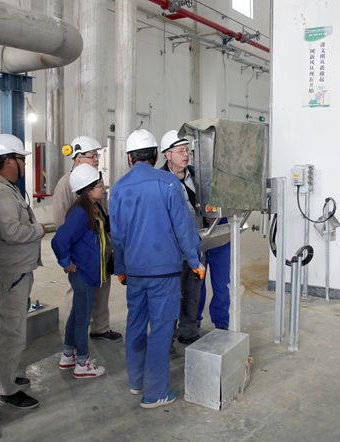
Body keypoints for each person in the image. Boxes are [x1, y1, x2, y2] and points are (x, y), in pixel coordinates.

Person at [109, 129, 204, 409]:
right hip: (165, 273)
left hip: (135, 272)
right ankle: (155, 392)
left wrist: (122, 267)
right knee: (161, 329)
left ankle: (137, 382)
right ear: (155, 155)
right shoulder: (169, 183)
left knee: (135, 324)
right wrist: (195, 262)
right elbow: (183, 228)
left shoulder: (118, 188)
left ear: (129, 158)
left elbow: (117, 235)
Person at [0, 134, 46, 410]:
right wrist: (39, 230)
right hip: (11, 271)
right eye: (21, 159)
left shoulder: (3, 187)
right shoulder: (1, 192)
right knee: (10, 330)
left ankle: (1, 376)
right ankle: (5, 388)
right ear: (8, 161)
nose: (24, 164)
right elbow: (13, 232)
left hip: (13, 269)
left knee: (4, 328)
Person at [53, 136, 122, 344]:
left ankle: (100, 328)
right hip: (81, 254)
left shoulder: (97, 180)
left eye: (96, 156)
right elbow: (61, 223)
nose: (96, 160)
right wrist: (68, 257)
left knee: (102, 288)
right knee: (78, 294)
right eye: (91, 156)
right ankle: (73, 337)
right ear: (77, 158)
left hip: (100, 249)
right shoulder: (66, 184)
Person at [51, 163, 108, 378]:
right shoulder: (79, 214)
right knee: (83, 320)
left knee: (76, 315)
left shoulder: (91, 209)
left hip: (87, 272)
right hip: (83, 274)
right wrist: (66, 262)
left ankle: (68, 355)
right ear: (88, 190)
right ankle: (82, 363)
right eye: (99, 185)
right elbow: (59, 241)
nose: (103, 188)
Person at [160, 130, 204, 347]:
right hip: (172, 250)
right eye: (180, 151)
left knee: (192, 291)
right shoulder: (160, 180)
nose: (186, 155)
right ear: (167, 155)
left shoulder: (196, 175)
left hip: (195, 245)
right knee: (171, 294)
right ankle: (167, 338)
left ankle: (188, 332)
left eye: (187, 150)